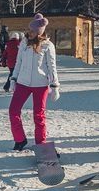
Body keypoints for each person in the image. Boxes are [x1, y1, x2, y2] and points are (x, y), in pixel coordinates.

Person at [8, 14, 60, 151]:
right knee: (13, 110)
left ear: (38, 32)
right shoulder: (24, 43)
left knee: (39, 115)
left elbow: (52, 66)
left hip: (41, 84)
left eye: (32, 31)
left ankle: (41, 144)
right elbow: (18, 63)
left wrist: (55, 86)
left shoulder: (48, 46)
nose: (29, 33)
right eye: (29, 30)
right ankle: (20, 139)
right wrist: (13, 79)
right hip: (23, 83)